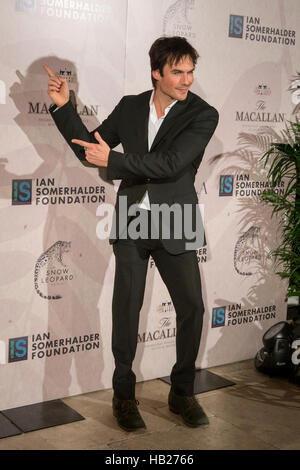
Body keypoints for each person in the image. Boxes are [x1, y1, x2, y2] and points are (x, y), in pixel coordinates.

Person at [44, 36, 219, 432]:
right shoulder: (130, 106)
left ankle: (182, 392)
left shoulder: (203, 114)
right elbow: (91, 149)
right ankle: (123, 396)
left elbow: (172, 163)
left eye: (191, 71)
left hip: (176, 218)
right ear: (156, 72)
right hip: (133, 222)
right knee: (126, 309)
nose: (186, 79)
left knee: (192, 307)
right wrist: (63, 108)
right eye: (178, 71)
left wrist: (118, 163)